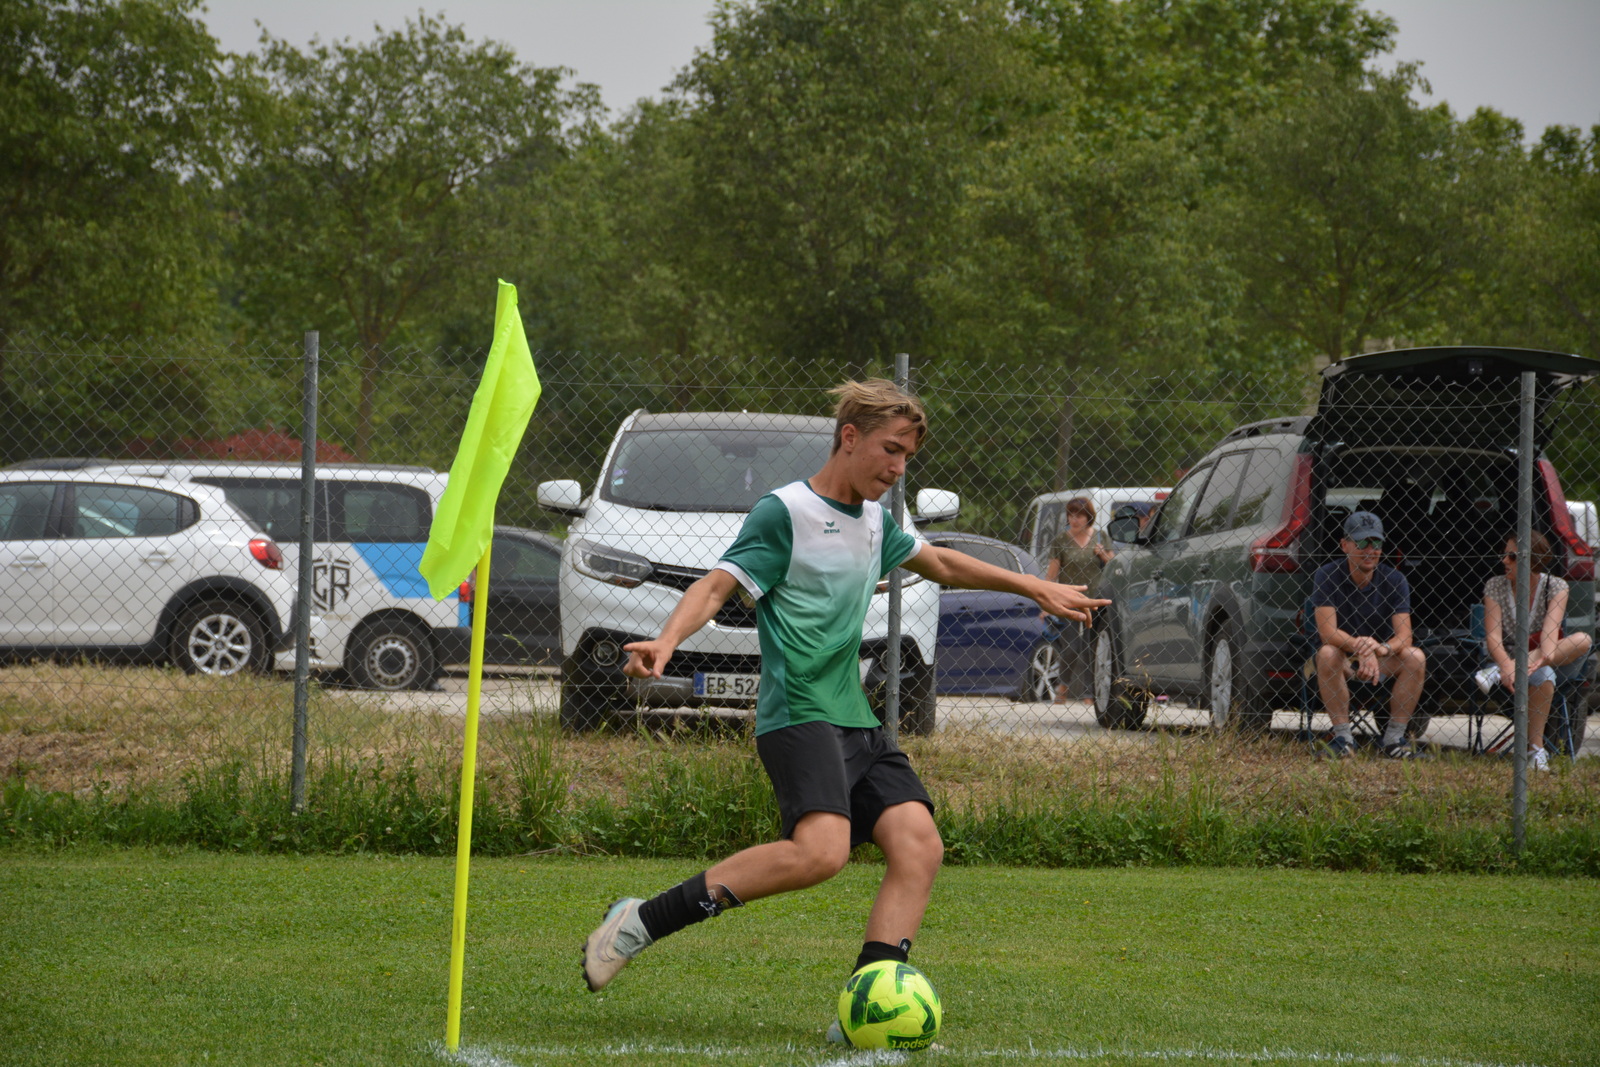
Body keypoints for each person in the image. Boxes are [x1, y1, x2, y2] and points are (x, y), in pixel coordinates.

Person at [580, 379, 1109, 1035]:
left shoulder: (877, 523)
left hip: (855, 717)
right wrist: (666, 640)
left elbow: (941, 563)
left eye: (908, 457)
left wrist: (1034, 585)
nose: (898, 467)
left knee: (919, 845)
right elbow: (716, 585)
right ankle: (638, 922)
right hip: (798, 712)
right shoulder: (785, 512)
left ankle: (868, 1002)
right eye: (890, 450)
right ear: (850, 437)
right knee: (821, 853)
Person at [1311, 511, 1427, 759]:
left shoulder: (1395, 579)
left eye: (1376, 543)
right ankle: (1343, 739)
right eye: (1362, 542)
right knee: (1327, 652)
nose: (1370, 550)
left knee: (1415, 656)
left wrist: (1380, 649)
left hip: (1381, 660)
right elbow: (1327, 632)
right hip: (1343, 659)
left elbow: (1404, 636)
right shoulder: (1326, 574)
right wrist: (1361, 647)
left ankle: (1393, 741)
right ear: (1344, 545)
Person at [1478, 530, 1592, 771]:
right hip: (1509, 659)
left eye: (1512, 556)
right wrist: (1507, 664)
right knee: (1544, 674)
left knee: (1583, 640)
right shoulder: (1495, 585)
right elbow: (1493, 638)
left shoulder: (1556, 586)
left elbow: (1549, 643)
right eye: (1504, 554)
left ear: (1532, 560)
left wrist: (1514, 666)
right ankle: (1535, 750)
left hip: (1548, 657)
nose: (1504, 561)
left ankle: (1495, 672)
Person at [1040, 497, 1113, 704]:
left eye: (1079, 515)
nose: (1074, 519)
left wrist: (1103, 555)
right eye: (1070, 515)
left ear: (1088, 516)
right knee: (1072, 646)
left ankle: (1089, 693)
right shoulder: (1061, 540)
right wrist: (1045, 601)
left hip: (1095, 600)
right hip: (1069, 599)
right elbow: (1052, 574)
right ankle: (1063, 685)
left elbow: (1113, 565)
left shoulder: (1100, 536)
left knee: (1091, 646)